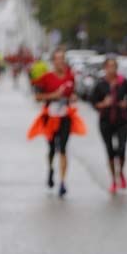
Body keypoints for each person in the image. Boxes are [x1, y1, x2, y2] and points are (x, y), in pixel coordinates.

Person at [34, 48, 77, 198]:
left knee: (64, 148)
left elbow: (73, 93)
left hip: (65, 117)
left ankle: (63, 182)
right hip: (50, 118)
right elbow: (37, 97)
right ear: (53, 62)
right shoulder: (46, 78)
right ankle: (51, 169)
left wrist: (72, 98)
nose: (61, 62)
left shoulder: (70, 77)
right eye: (58, 59)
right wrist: (53, 95)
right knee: (52, 149)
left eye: (63, 59)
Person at [91, 56, 127, 194]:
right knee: (110, 150)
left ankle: (121, 172)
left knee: (122, 149)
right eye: (109, 66)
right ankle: (113, 179)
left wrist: (126, 103)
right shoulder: (100, 84)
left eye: (114, 66)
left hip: (122, 120)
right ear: (105, 68)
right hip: (106, 121)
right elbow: (93, 102)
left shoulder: (124, 82)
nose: (112, 69)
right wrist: (103, 104)